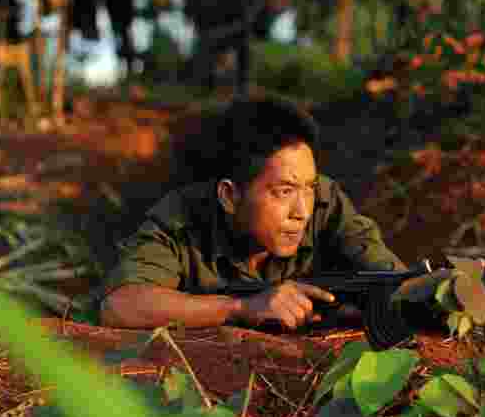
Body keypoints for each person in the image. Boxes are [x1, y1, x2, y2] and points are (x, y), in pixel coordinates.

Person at [98, 97, 406, 331]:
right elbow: (121, 305)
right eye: (283, 192)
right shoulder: (181, 217)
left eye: (308, 188)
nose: (302, 212)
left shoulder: (326, 201)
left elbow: (390, 274)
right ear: (230, 196)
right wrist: (240, 308)